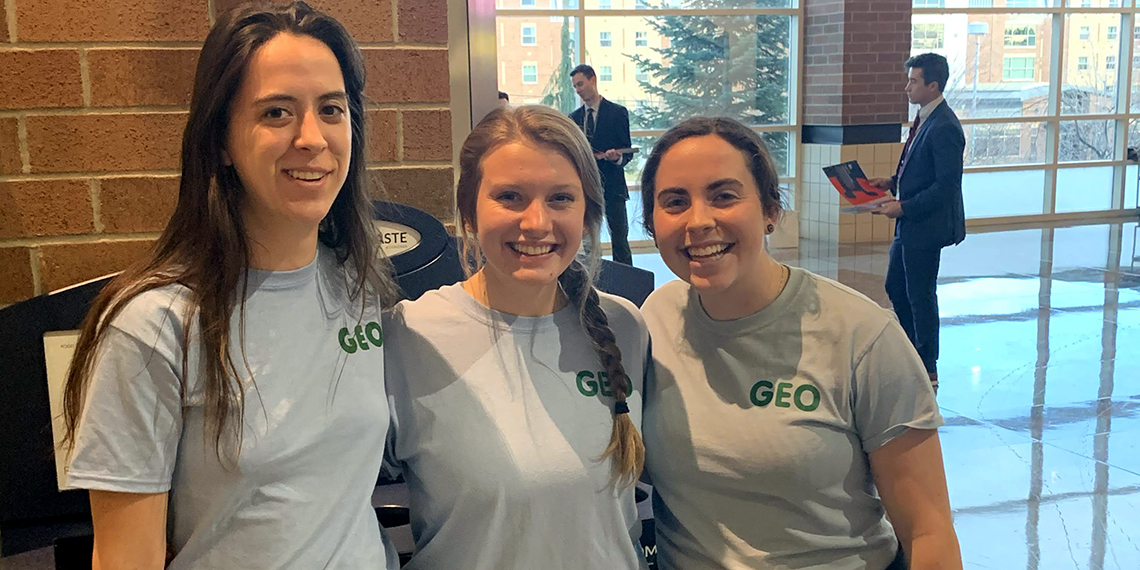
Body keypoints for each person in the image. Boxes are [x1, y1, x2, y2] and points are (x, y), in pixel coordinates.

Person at [59, 3, 401, 569]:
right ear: (220, 139)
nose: (312, 138)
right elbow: (126, 559)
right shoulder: (153, 325)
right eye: (276, 112)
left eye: (331, 109)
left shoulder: (359, 285)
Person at [639, 117, 962, 570]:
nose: (699, 220)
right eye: (675, 202)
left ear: (770, 211)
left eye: (724, 196)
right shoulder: (655, 318)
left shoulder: (861, 335)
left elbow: (928, 530)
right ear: (652, 224)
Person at [382, 105, 648, 570]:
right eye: (510, 196)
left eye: (561, 198)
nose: (537, 223)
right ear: (469, 213)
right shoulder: (407, 337)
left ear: (588, 213)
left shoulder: (624, 326)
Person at [868, 52, 966, 394]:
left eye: (913, 81)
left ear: (932, 86)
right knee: (896, 287)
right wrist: (891, 182)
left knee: (920, 294)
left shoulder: (945, 127)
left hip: (925, 225)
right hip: (909, 224)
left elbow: (946, 186)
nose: (906, 87)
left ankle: (927, 364)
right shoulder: (925, 118)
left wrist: (903, 207)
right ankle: (911, 350)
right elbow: (918, 167)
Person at [569, 64, 634, 266]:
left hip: (613, 187)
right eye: (575, 86)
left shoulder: (617, 112)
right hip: (587, 188)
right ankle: (591, 277)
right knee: (589, 243)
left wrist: (616, 158)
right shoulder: (574, 118)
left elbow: (627, 150)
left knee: (620, 239)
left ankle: (626, 279)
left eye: (580, 84)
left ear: (593, 80)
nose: (578, 90)